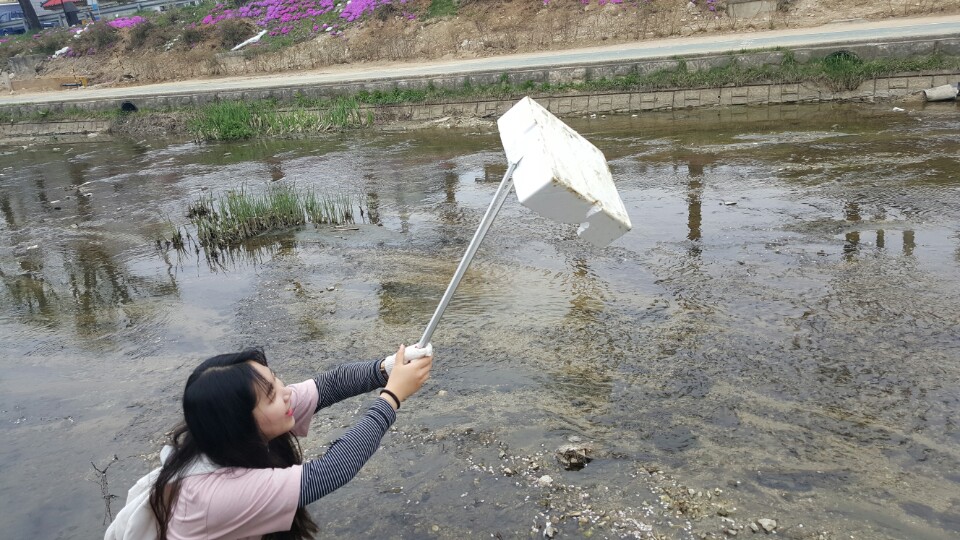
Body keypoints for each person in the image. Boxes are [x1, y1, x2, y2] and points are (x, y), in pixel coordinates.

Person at [105, 343, 433, 540]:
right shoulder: (212, 494)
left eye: (277, 381)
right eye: (274, 395)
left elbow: (329, 385)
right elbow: (332, 471)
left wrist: (385, 368)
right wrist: (392, 397)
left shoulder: (222, 435)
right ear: (242, 421)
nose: (287, 393)